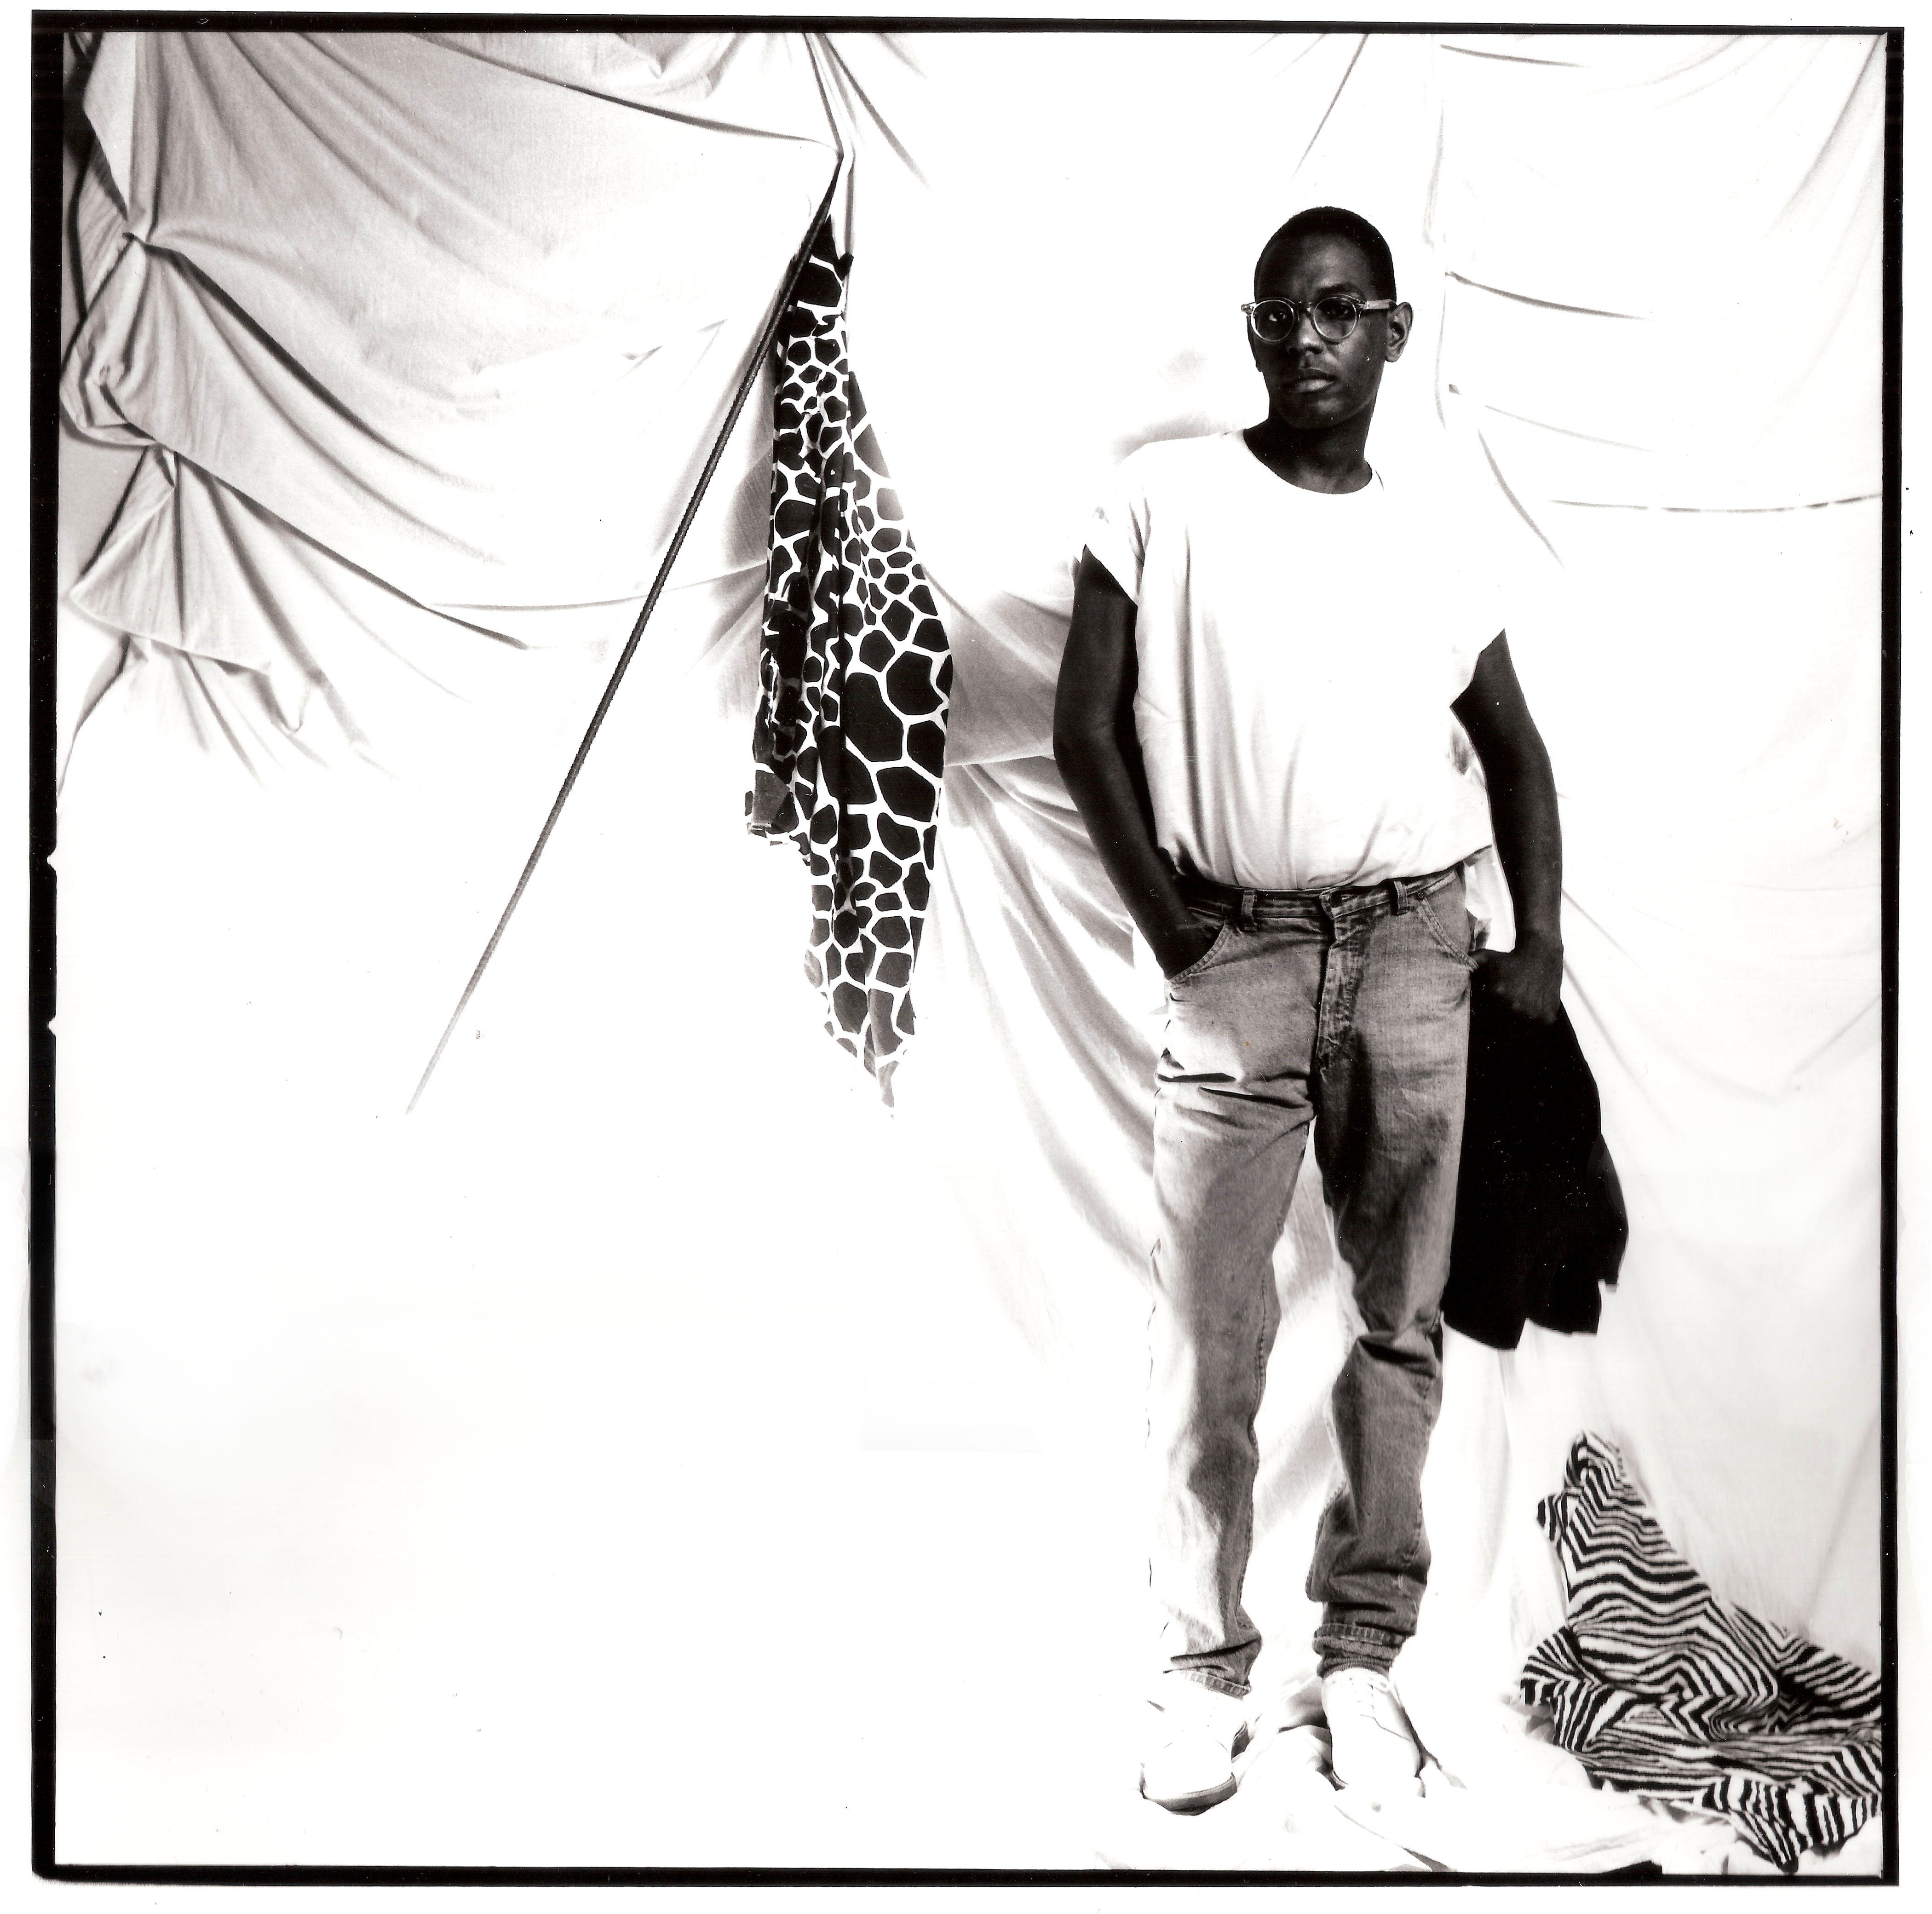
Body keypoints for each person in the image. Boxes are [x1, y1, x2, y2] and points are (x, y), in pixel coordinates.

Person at [1052, 206, 1563, 1814]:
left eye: (1342, 311)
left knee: (1397, 1325)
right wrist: (1174, 926)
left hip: (1417, 950)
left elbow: (1518, 748)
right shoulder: (1163, 495)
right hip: (1240, 959)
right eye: (1283, 313)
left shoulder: (1434, 532)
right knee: (1209, 1334)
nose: (1309, 337)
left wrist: (1532, 940)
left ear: (1396, 332)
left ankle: (1363, 1662)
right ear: (1257, 330)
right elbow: (1084, 729)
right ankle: (1199, 1672)